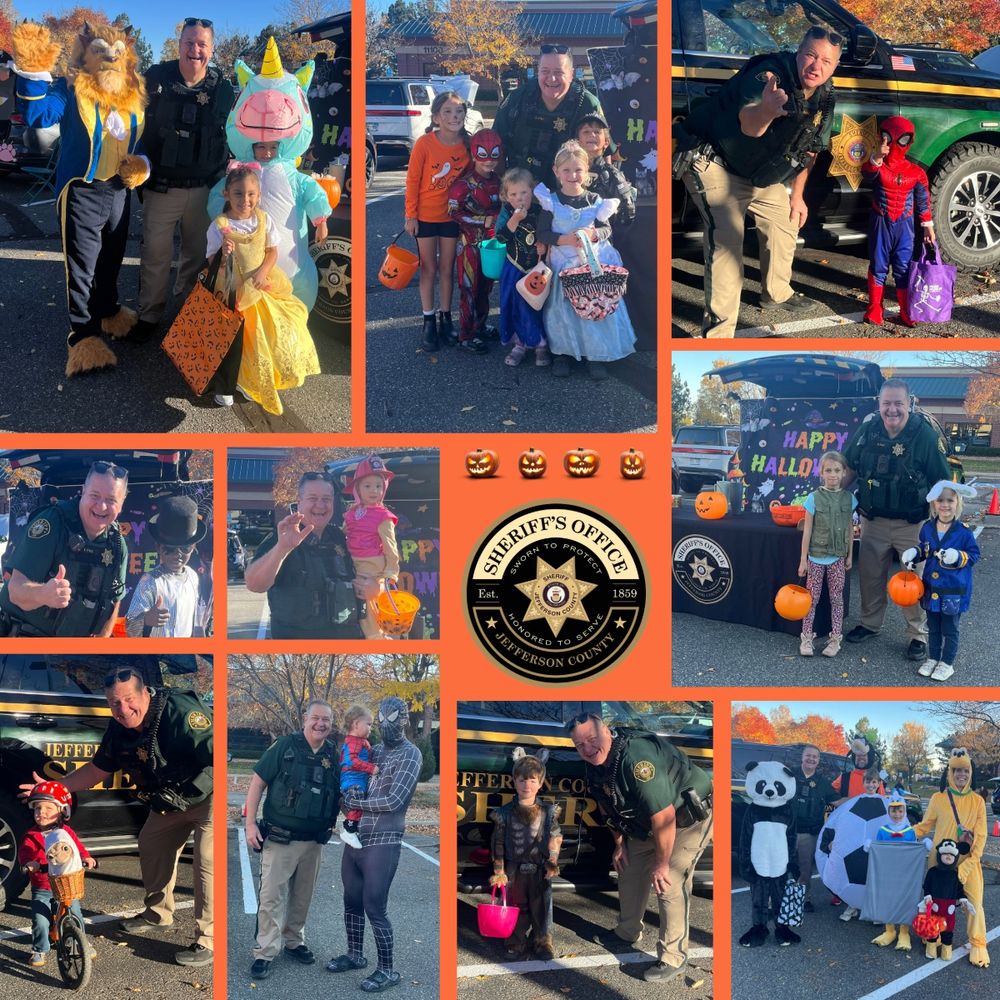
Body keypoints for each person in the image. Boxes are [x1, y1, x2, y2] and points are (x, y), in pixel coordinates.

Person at [20, 669, 214, 966]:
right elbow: (98, 770)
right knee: (151, 846)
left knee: (206, 863)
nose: (123, 709)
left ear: (145, 692)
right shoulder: (118, 727)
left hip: (207, 798)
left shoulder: (180, 711)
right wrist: (53, 788)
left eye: (129, 699)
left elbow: (215, 752)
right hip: (169, 801)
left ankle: (207, 940)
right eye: (114, 703)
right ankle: (158, 914)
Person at [677, 26, 841, 337]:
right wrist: (766, 110)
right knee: (727, 243)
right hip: (715, 163)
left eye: (826, 61)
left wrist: (798, 196)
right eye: (810, 55)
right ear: (798, 52)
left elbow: (810, 148)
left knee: (785, 220)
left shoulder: (826, 95)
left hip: (760, 171)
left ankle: (776, 293)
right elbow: (748, 124)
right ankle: (719, 335)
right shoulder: (769, 75)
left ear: (835, 66)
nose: (816, 66)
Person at [12, 21, 150, 374]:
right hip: (82, 191)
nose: (110, 57)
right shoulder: (70, 89)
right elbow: (38, 114)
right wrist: (31, 67)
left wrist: (142, 163)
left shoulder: (133, 94)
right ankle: (84, 336)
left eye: (117, 52)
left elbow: (141, 143)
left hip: (119, 190)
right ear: (86, 53)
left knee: (113, 258)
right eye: (101, 50)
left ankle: (108, 311)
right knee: (82, 266)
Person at [568, 713, 713, 983]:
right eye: (579, 745)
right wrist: (619, 844)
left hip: (685, 820)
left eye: (591, 739)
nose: (587, 749)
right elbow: (606, 805)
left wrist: (660, 862)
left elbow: (665, 816)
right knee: (628, 869)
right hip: (647, 823)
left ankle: (674, 956)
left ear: (606, 731)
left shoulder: (637, 759)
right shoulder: (595, 764)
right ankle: (627, 931)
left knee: (668, 880)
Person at [206, 36, 332, 312]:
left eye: (271, 147)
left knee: (294, 304)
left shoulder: (291, 174)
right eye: (260, 147)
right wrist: (221, 219)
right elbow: (218, 196)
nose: (264, 152)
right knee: (248, 308)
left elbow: (312, 192)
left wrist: (320, 218)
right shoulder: (239, 172)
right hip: (247, 261)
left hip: (289, 261)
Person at [134, 18, 235, 339]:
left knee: (195, 257)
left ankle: (187, 317)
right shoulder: (154, 79)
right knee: (155, 255)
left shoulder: (222, 87)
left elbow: (233, 133)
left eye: (202, 44)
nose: (195, 50)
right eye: (189, 42)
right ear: (178, 45)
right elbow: (128, 117)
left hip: (205, 189)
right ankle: (149, 316)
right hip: (162, 187)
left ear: (212, 48)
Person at [843, 378, 952, 661]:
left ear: (909, 404)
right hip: (873, 521)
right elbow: (849, 467)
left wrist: (943, 523)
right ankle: (870, 624)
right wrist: (827, 497)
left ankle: (917, 635)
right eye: (886, 403)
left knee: (912, 582)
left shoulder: (925, 436)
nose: (892, 410)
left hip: (912, 525)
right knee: (870, 578)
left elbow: (942, 481)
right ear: (879, 404)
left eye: (898, 403)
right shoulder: (868, 430)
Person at [206, 162, 320, 413]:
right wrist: (223, 255)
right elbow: (211, 261)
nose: (244, 200)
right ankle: (232, 382)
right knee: (237, 337)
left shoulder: (263, 219)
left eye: (250, 195)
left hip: (260, 284)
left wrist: (263, 271)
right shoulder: (220, 226)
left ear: (258, 196)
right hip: (232, 288)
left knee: (271, 331)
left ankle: (255, 378)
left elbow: (271, 251)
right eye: (238, 194)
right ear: (226, 194)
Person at [326, 697, 422, 993]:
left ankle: (387, 970)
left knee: (375, 907)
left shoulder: (411, 754)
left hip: (384, 841)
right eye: (380, 718)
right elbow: (348, 779)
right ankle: (355, 954)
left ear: (404, 719)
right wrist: (347, 800)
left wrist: (356, 802)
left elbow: (395, 800)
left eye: (392, 718)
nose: (384, 724)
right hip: (355, 838)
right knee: (351, 901)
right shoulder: (373, 750)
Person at [245, 700, 340, 981]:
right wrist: (249, 824)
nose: (321, 724)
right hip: (280, 839)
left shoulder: (334, 754)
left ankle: (293, 941)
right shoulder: (285, 746)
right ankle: (265, 952)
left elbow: (340, 794)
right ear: (305, 719)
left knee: (302, 898)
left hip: (314, 842)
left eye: (327, 720)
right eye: (316, 718)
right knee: (271, 898)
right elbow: (257, 783)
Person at [536, 141, 636, 380]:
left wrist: (594, 234)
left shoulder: (596, 201)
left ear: (586, 170)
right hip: (563, 265)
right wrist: (563, 239)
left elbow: (606, 230)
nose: (572, 175)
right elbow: (542, 233)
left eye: (578, 170)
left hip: (591, 266)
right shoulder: (550, 202)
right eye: (567, 170)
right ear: (556, 171)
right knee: (562, 313)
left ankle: (596, 354)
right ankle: (563, 354)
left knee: (594, 305)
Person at [0, 461, 128, 637]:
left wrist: (101, 645)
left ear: (121, 503)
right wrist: (43, 594)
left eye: (111, 499)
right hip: (25, 648)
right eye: (94, 495)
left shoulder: (117, 544)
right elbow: (15, 590)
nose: (102, 506)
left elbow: (114, 601)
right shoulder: (52, 524)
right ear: (83, 491)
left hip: (73, 656)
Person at [244, 471, 365, 640]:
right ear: (299, 502)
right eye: (313, 498)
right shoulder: (282, 536)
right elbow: (254, 584)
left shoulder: (341, 537)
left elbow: (371, 568)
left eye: (326, 499)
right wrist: (282, 549)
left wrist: (376, 587)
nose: (320, 505)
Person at [404, 91, 470, 351]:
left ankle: (446, 318)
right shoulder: (425, 144)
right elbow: (412, 180)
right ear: (436, 117)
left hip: (453, 218)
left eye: (459, 112)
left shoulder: (468, 145)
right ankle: (428, 319)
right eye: (448, 112)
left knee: (448, 268)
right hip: (426, 216)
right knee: (428, 268)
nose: (454, 117)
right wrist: (410, 215)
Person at [914, 748, 990, 967]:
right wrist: (899, 833)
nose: (961, 775)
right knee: (936, 902)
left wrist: (967, 867)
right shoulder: (938, 798)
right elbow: (925, 826)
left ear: (970, 772)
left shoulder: (977, 802)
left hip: (968, 863)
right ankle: (933, 935)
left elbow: (982, 836)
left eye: (965, 771)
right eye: (957, 770)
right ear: (950, 772)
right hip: (939, 863)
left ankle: (978, 944)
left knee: (975, 902)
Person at [494, 46, 608, 189]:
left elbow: (604, 153)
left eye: (559, 72)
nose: (551, 78)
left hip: (571, 192)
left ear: (571, 74)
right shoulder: (517, 99)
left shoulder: (587, 104)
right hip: (522, 192)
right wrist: (505, 188)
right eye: (545, 71)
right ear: (538, 72)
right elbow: (495, 145)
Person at [901, 480, 980, 681]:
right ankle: (933, 658)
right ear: (934, 504)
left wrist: (957, 557)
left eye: (950, 500)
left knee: (950, 629)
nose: (945, 505)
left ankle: (947, 663)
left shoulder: (964, 531)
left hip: (953, 590)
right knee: (933, 627)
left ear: (958, 503)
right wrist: (914, 553)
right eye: (940, 500)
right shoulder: (927, 527)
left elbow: (973, 555)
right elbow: (925, 549)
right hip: (931, 588)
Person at [862, 115, 935, 327]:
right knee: (878, 266)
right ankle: (875, 309)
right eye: (888, 137)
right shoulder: (877, 165)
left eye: (901, 140)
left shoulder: (916, 172)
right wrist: (876, 158)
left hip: (904, 226)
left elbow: (923, 201)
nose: (894, 144)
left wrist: (928, 225)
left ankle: (906, 311)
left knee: (903, 268)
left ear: (909, 141)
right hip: (881, 222)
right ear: (881, 137)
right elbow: (868, 175)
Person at [489, 750, 562, 959]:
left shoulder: (549, 812)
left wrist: (552, 861)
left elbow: (555, 837)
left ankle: (542, 942)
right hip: (513, 869)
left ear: (540, 783)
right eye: (522, 780)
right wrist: (499, 872)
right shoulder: (503, 813)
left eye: (532, 780)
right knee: (514, 906)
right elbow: (498, 844)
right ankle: (515, 941)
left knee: (542, 908)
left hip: (539, 868)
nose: (527, 785)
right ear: (514, 781)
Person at [20, 781, 97, 969]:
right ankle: (39, 948)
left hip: (65, 885)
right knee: (40, 920)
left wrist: (86, 857)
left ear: (62, 810)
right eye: (37, 808)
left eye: (48, 808)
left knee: (76, 915)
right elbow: (26, 853)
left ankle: (80, 942)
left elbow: (76, 847)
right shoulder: (31, 835)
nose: (41, 812)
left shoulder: (65, 833)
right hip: (42, 887)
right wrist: (30, 864)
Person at [447, 128, 503, 354]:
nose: (489, 161)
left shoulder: (498, 182)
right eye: (483, 155)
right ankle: (466, 334)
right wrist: (483, 220)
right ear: (473, 154)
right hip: (469, 245)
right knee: (469, 289)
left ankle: (479, 326)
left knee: (486, 288)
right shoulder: (463, 185)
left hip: (490, 246)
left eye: (494, 155)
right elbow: (453, 212)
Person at [796, 450, 857, 657]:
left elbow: (850, 528)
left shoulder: (849, 499)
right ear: (821, 473)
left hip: (838, 558)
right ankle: (806, 638)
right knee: (811, 600)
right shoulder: (813, 499)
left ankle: (835, 639)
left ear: (844, 472)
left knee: (836, 599)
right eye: (828, 470)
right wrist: (803, 560)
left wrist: (850, 555)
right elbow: (807, 530)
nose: (833, 474)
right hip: (815, 557)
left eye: (837, 470)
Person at [126, 496, 207, 637]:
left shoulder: (193, 577)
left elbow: (195, 619)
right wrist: (146, 619)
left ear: (193, 547)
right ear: (158, 547)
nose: (177, 555)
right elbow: (129, 627)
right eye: (169, 549)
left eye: (185, 548)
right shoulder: (150, 581)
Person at [494, 166, 549, 367]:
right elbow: (500, 237)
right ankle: (520, 344)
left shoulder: (539, 210)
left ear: (532, 191)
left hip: (536, 267)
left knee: (536, 305)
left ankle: (541, 344)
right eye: (514, 194)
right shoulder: (506, 212)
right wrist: (515, 219)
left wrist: (544, 244)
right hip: (514, 268)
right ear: (506, 196)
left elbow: (546, 231)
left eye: (524, 192)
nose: (519, 198)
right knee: (515, 305)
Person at [341, 455, 400, 640]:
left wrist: (391, 573)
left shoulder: (383, 516)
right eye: (368, 486)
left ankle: (376, 638)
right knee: (353, 598)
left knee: (369, 599)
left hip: (372, 564)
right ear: (357, 488)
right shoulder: (351, 512)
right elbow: (344, 533)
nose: (374, 490)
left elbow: (391, 547)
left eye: (378, 486)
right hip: (352, 562)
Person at [865, 790, 931, 951]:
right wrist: (870, 846)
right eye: (893, 810)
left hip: (905, 875)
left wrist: (924, 846)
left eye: (900, 810)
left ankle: (904, 932)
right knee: (888, 899)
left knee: (905, 900)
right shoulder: (883, 830)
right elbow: (878, 850)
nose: (897, 814)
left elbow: (914, 851)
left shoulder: (910, 831)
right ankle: (889, 931)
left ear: (905, 811)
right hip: (887, 874)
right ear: (889, 812)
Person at [790, 744, 838, 913]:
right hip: (785, 830)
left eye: (815, 757)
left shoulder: (822, 782)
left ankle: (804, 898)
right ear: (802, 757)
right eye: (808, 755)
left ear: (818, 761)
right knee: (780, 865)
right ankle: (776, 897)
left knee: (805, 867)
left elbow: (837, 801)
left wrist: (864, 798)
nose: (811, 759)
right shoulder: (788, 775)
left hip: (808, 833)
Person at [576, 112, 636, 234]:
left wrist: (606, 234)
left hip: (600, 243)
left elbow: (628, 214)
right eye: (586, 131)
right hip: (568, 240)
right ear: (578, 141)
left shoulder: (612, 175)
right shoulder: (566, 171)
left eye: (597, 132)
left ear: (606, 142)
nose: (592, 135)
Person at [836, 767, 884, 922]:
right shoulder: (855, 801)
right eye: (868, 781)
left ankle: (873, 910)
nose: (871, 785)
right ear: (863, 783)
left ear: (879, 784)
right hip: (856, 846)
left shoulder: (884, 802)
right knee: (856, 875)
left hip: (876, 847)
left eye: (874, 782)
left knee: (873, 877)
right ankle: (853, 905)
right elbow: (845, 822)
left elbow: (890, 823)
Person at [339, 705, 378, 849]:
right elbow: (352, 761)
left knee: (359, 802)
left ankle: (353, 829)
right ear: (356, 724)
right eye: (368, 724)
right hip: (353, 779)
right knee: (357, 801)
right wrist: (371, 768)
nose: (371, 728)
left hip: (357, 779)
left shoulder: (358, 741)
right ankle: (349, 830)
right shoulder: (353, 742)